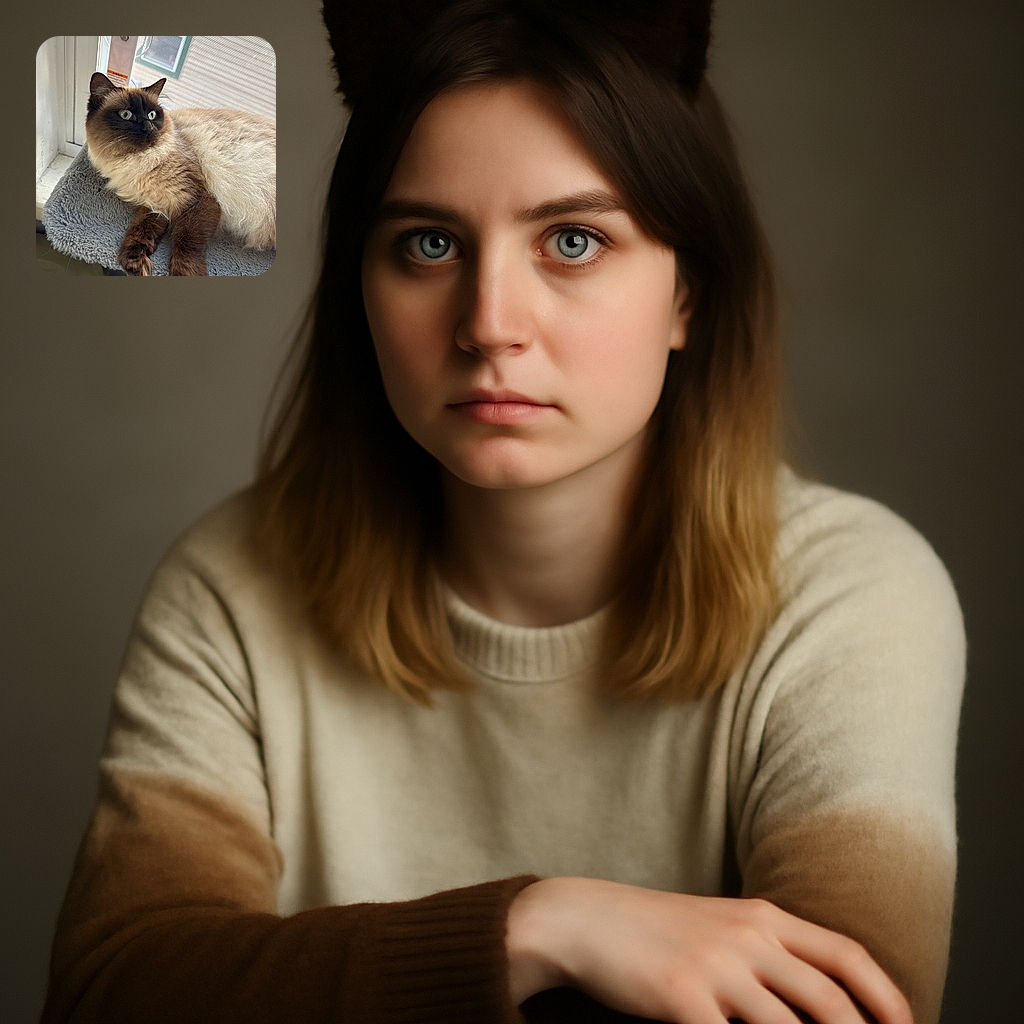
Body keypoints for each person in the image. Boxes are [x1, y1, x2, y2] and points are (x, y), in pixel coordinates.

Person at [41, 2, 964, 1022]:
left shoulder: (850, 598)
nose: (488, 324)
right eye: (428, 243)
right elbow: (112, 991)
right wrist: (536, 927)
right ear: (361, 284)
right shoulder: (228, 594)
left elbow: (844, 1006)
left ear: (688, 293)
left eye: (572, 239)